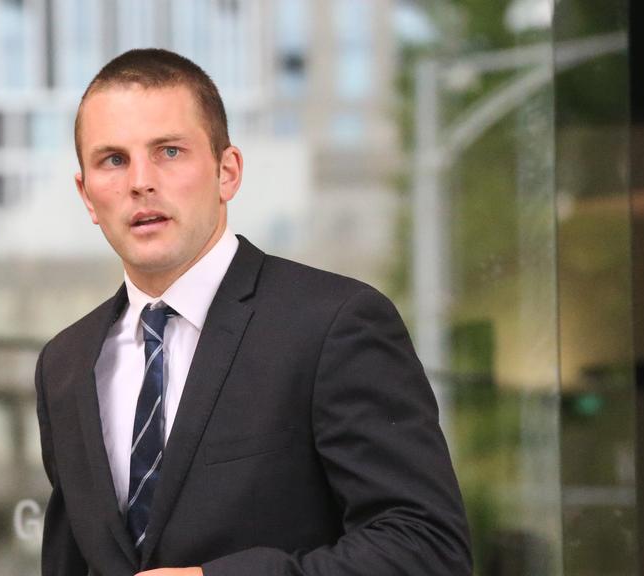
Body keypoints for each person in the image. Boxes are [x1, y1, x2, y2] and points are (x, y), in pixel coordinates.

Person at [34, 48, 471, 576]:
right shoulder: (64, 364)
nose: (140, 181)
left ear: (227, 172)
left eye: (169, 151)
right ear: (86, 195)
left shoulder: (334, 324)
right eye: (113, 160)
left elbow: (427, 548)